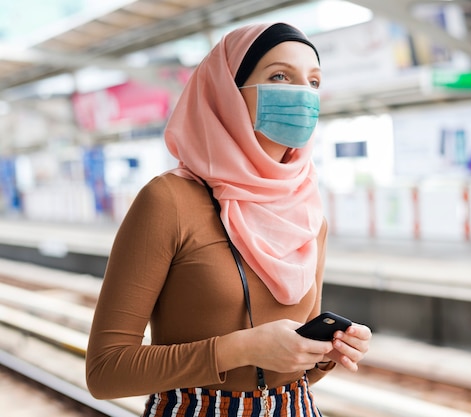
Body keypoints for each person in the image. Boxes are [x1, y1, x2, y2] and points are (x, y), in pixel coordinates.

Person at [85, 21, 372, 417]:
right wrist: (241, 347)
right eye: (279, 76)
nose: (303, 95)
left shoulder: (307, 208)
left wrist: (327, 351)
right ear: (226, 91)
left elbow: (294, 367)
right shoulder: (167, 200)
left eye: (314, 82)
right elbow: (105, 372)